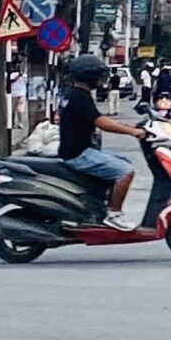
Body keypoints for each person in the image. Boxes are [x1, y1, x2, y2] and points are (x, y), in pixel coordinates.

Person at [53, 56, 146, 228]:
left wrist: (130, 126)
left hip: (79, 149)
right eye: (99, 76)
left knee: (124, 162)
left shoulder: (72, 94)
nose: (101, 80)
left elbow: (97, 118)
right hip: (79, 154)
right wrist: (132, 131)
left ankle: (100, 205)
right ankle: (114, 215)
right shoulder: (79, 97)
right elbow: (101, 122)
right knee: (125, 171)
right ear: (90, 76)